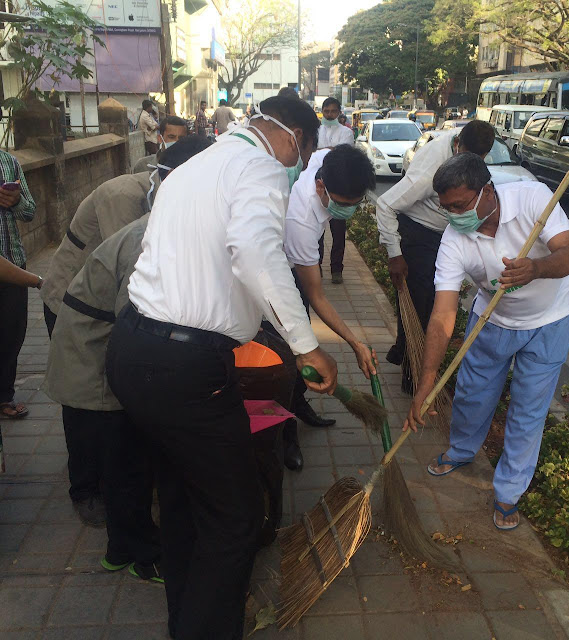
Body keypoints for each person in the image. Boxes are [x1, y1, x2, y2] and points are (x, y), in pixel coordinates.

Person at [105, 95, 337, 640]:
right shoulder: (260, 166)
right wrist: (306, 346)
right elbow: (257, 252)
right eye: (305, 151)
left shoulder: (195, 165)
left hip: (133, 348)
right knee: (236, 520)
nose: (298, 164)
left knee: (185, 502)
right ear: (293, 136)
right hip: (184, 370)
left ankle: (185, 623)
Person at [43, 137, 212, 580]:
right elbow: (135, 320)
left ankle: (121, 545)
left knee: (124, 456)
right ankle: (136, 551)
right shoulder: (147, 236)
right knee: (122, 457)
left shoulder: (165, 224)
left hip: (111, 338)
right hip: (95, 343)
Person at [404, 152, 569, 531]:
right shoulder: (454, 239)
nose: (452, 215)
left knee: (528, 409)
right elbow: (443, 313)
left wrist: (535, 269)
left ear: (486, 190)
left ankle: (508, 490)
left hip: (551, 320)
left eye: (459, 205)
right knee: (472, 394)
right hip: (493, 320)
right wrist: (427, 379)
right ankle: (462, 450)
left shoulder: (533, 197)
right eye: (445, 207)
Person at [376, 120, 495, 384]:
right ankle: (412, 376)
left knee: (430, 305)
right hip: (418, 235)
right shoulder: (430, 171)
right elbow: (385, 205)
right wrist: (395, 254)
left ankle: (404, 354)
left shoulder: (470, 159)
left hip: (443, 237)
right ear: (457, 145)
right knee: (419, 309)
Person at [282, 144, 377, 470]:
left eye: (355, 204)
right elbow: (316, 294)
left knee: (300, 341)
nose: (348, 211)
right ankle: (286, 432)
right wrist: (354, 342)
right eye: (342, 204)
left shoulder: (332, 160)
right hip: (277, 272)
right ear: (321, 187)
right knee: (288, 351)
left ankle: (300, 404)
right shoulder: (301, 222)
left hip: (301, 255)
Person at [41, 167, 160, 337]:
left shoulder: (155, 190)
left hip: (96, 304)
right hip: (73, 304)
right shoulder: (123, 195)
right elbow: (126, 269)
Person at [0, 150, 36, 420]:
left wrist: (17, 201)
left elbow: (30, 212)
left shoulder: (9, 162)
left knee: (12, 334)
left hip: (12, 260)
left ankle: (4, 395)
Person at [317, 97, 355, 286]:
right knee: (317, 231)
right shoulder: (317, 131)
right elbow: (322, 153)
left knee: (338, 233)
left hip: (339, 188)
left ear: (339, 112)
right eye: (326, 111)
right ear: (322, 111)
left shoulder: (346, 132)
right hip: (319, 187)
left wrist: (324, 151)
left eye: (333, 111)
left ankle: (336, 270)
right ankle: (316, 268)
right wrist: (329, 150)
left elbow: (341, 154)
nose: (329, 114)